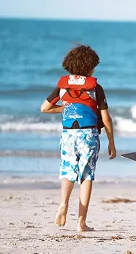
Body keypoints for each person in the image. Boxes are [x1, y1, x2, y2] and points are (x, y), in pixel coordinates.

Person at [40, 45, 116, 232]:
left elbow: (44, 108)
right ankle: (81, 222)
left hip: (68, 134)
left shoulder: (62, 86)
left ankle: (63, 204)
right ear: (90, 67)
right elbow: (106, 118)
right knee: (86, 176)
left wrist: (67, 107)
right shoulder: (96, 88)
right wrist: (111, 142)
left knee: (68, 172)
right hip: (88, 134)